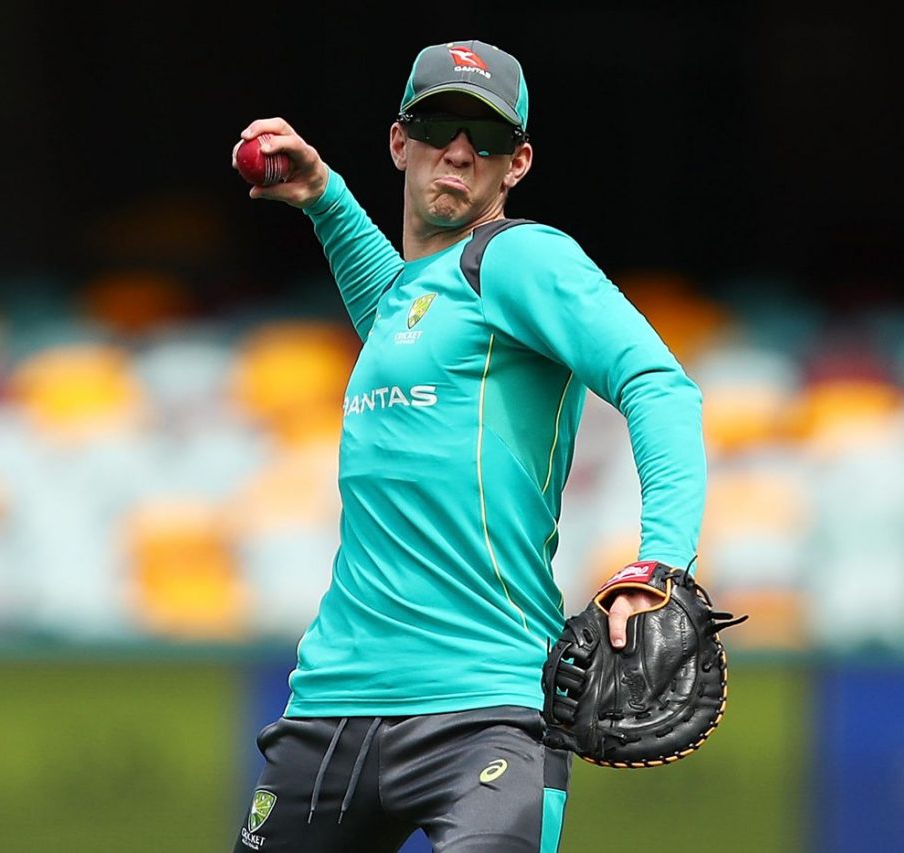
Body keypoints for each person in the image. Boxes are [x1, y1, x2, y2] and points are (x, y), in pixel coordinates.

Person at [229, 39, 707, 853]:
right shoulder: (412, 304)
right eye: (441, 123)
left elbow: (659, 385)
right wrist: (323, 197)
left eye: (484, 138)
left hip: (485, 709)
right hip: (332, 703)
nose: (459, 150)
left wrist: (658, 565)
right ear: (399, 141)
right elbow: (400, 307)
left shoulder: (519, 258)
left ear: (516, 163)